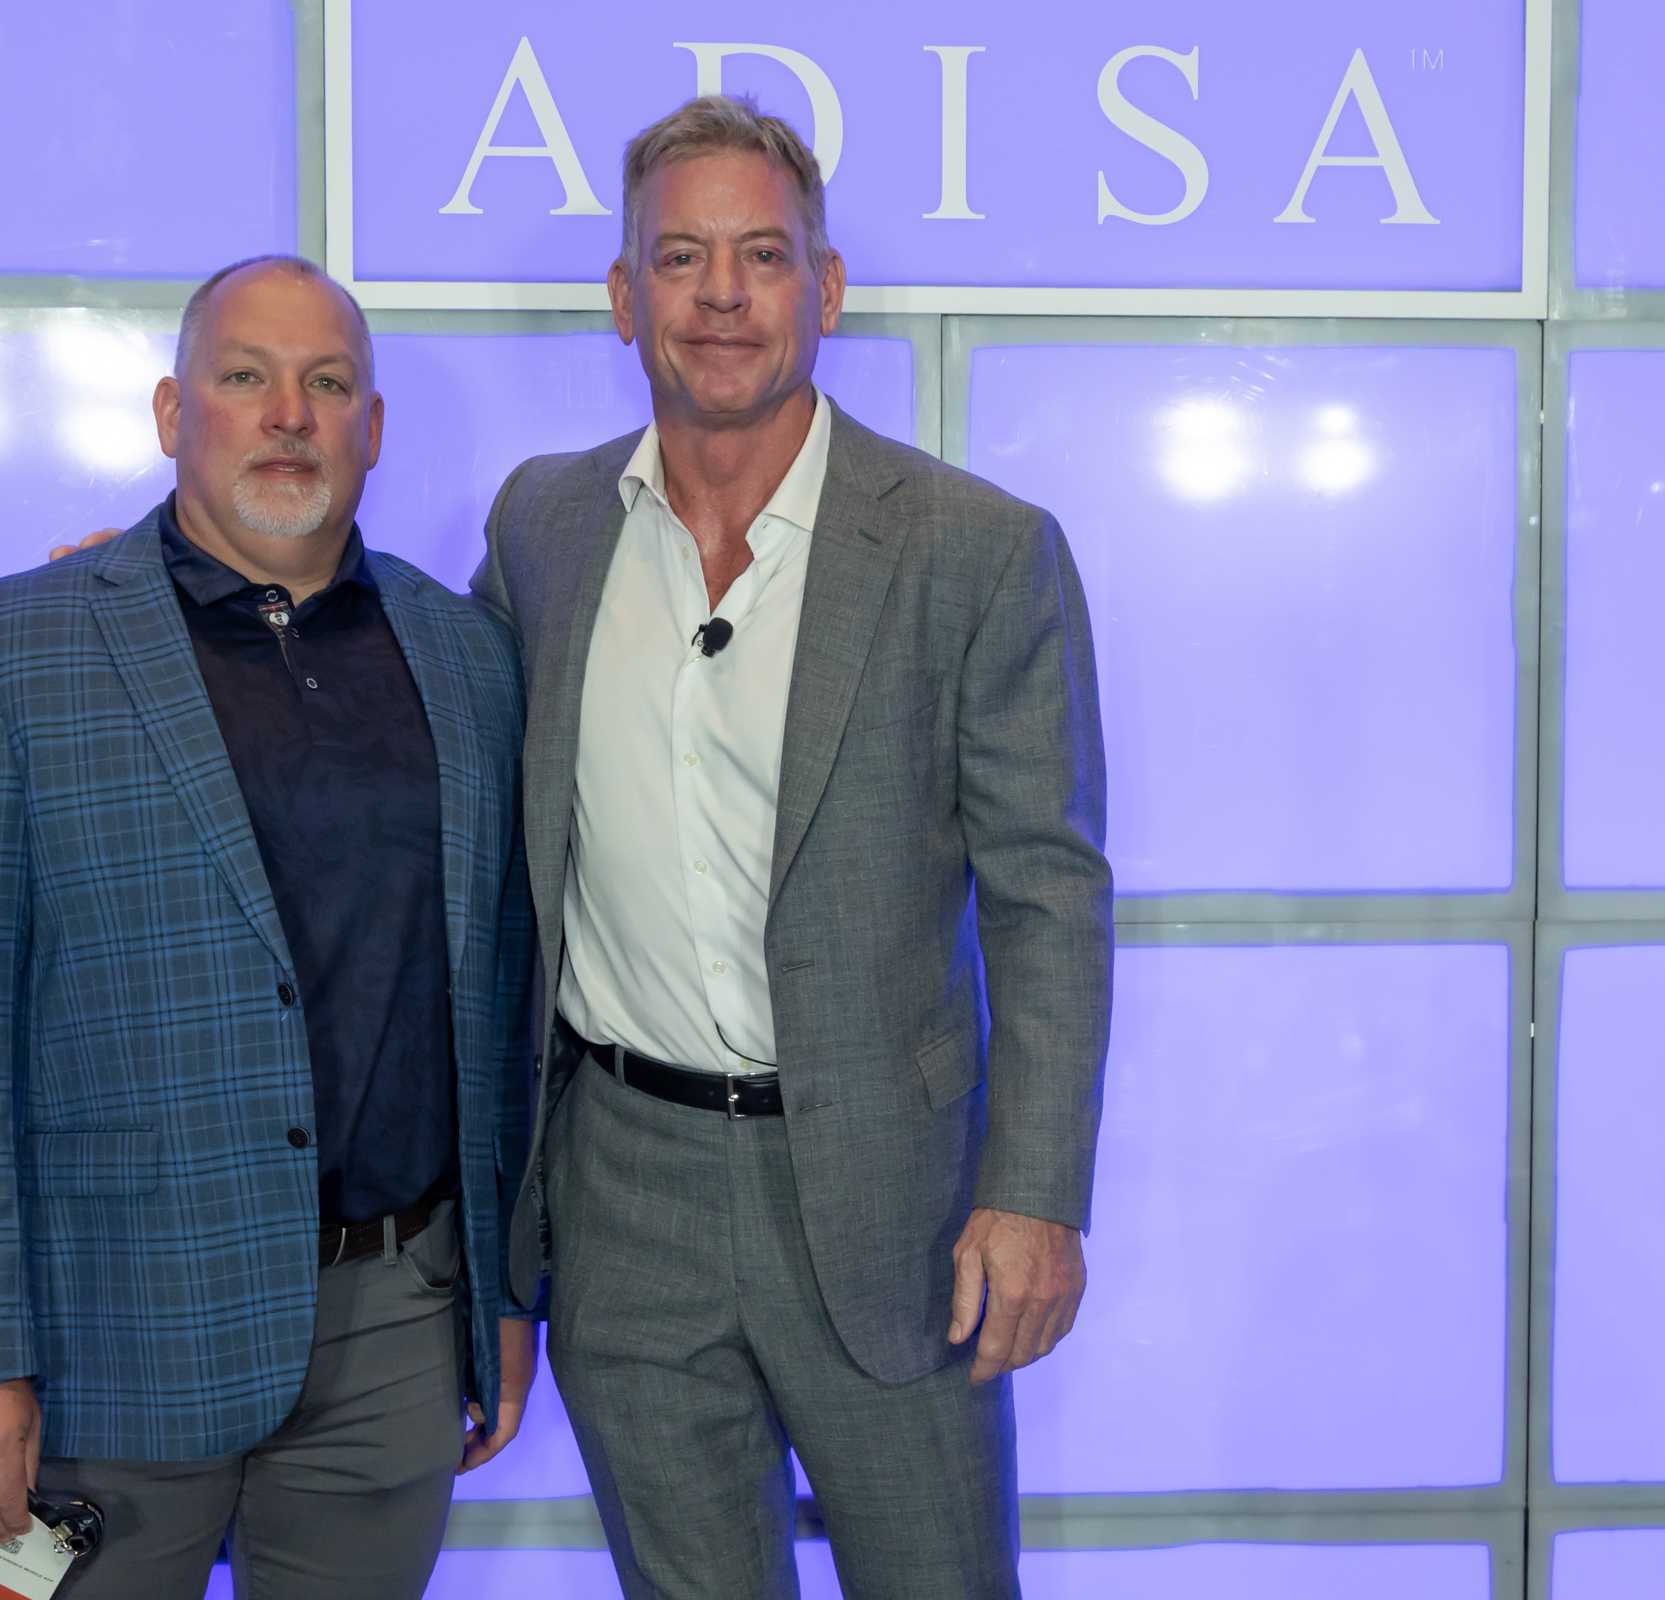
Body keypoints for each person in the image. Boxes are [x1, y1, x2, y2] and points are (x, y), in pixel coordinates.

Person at [471, 97, 1114, 1598]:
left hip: (899, 1208)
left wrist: (1035, 1192)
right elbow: (424, 723)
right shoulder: (542, 526)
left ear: (824, 289)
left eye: (762, 255)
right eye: (679, 257)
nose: (721, 294)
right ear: (623, 296)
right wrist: (175, 593)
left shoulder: (976, 548)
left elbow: (1048, 898)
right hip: (623, 1201)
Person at [0, 254, 538, 1600]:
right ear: (176, 414)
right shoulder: (3, 652)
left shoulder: (470, 657)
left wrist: (501, 1296)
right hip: (104, 1343)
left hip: (394, 1329)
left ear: (372, 429)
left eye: (327, 383)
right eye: (245, 377)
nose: (288, 414)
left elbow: (499, 1000)